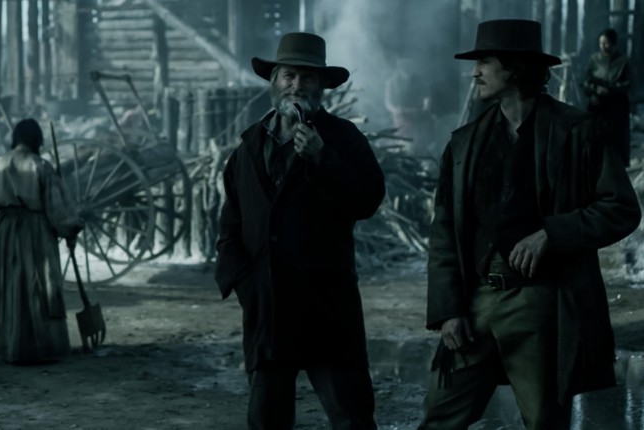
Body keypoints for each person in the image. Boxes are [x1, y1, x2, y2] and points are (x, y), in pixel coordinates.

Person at [418, 20, 641, 430]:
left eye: (485, 62)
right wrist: (448, 310)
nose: (474, 72)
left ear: (515, 68)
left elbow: (621, 208)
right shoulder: (465, 143)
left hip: (540, 303)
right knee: (439, 416)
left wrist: (552, 233)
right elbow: (444, 230)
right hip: (477, 300)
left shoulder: (576, 132)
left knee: (543, 422)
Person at [214, 32, 384, 429]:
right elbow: (231, 223)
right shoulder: (250, 147)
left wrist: (323, 159)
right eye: (289, 76)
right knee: (266, 419)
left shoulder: (343, 138)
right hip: (269, 310)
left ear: (321, 86)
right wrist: (243, 281)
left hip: (326, 306)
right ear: (274, 82)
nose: (297, 86)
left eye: (308, 78)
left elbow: (367, 200)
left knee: (352, 418)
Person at [0, 118, 84, 364]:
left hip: (5, 233)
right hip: (36, 231)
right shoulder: (41, 166)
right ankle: (41, 348)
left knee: (10, 287)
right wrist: (70, 230)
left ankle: (12, 348)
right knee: (39, 286)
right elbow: (57, 207)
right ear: (37, 140)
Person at [583, 28, 632, 166]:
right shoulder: (594, 60)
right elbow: (585, 82)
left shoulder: (623, 62)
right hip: (597, 107)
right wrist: (595, 89)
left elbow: (628, 84)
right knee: (596, 141)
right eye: (601, 43)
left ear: (613, 43)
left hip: (617, 109)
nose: (603, 46)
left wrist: (611, 89)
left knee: (616, 143)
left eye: (606, 43)